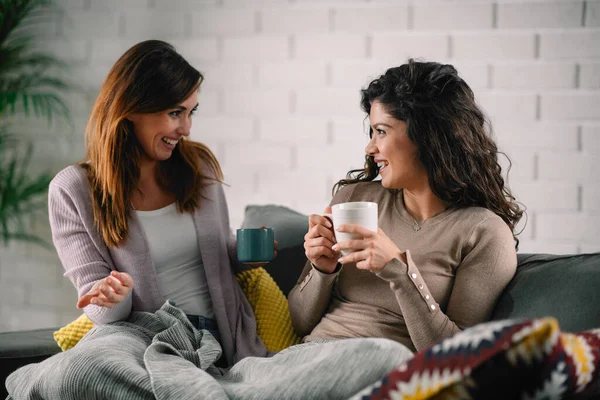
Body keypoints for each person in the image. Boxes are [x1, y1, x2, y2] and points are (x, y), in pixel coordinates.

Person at [48, 40, 270, 366]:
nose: (186, 128)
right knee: (69, 374)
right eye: (175, 113)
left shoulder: (198, 167)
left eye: (191, 112)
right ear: (131, 108)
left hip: (215, 338)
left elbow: (216, 258)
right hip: (141, 343)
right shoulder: (73, 190)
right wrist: (113, 296)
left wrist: (251, 253)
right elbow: (99, 307)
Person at [288, 59, 524, 353]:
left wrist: (400, 272)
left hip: (381, 370)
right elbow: (298, 322)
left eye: (382, 131)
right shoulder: (354, 199)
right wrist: (322, 270)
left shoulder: (483, 233)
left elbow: (455, 358)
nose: (370, 148)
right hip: (304, 359)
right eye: (371, 132)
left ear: (428, 136)